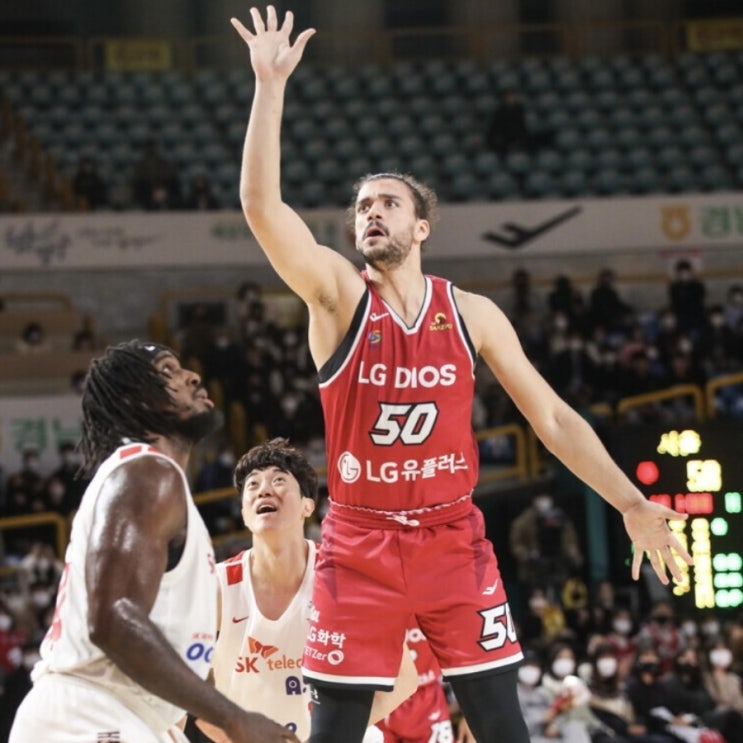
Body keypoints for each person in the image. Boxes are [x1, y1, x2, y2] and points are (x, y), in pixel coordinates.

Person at [230, 8, 692, 742]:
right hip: (359, 542)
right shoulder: (336, 294)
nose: (369, 214)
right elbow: (261, 207)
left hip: (452, 539)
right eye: (360, 207)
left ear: (421, 227)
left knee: (504, 729)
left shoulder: (470, 313)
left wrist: (631, 500)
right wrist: (269, 86)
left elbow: (553, 419)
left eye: (387, 203)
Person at [9, 340, 300, 743]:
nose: (192, 377)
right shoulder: (148, 473)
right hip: (89, 715)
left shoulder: (153, 480)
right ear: (134, 398)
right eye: (167, 372)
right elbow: (112, 621)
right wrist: (236, 720)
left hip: (118, 715)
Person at [205, 437, 416, 742]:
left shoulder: (346, 578)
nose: (264, 489)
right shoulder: (217, 587)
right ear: (243, 512)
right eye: (252, 485)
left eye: (279, 480)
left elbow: (404, 680)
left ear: (308, 505)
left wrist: (329, 735)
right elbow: (188, 691)